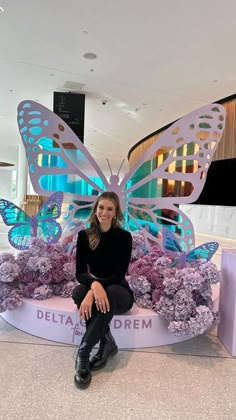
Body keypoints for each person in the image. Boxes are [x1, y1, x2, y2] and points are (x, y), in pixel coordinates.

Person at [72, 191, 134, 389]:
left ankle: (84, 351)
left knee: (110, 292)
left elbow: (119, 275)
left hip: (119, 293)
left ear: (115, 213)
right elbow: (80, 273)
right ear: (95, 209)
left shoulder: (124, 237)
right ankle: (107, 343)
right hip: (97, 288)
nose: (104, 212)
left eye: (109, 209)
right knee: (78, 293)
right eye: (101, 207)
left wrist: (95, 289)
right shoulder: (84, 236)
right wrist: (93, 287)